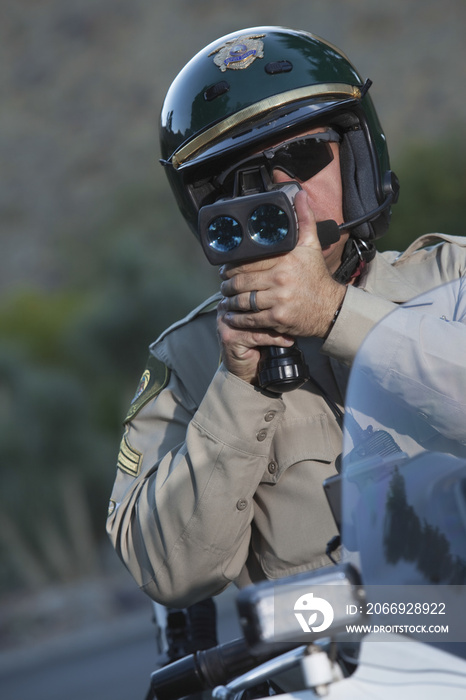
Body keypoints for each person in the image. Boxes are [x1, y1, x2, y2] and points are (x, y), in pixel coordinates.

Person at [106, 27, 466, 608]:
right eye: (240, 181)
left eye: (302, 156)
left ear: (356, 162)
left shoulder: (452, 277)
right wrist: (238, 386)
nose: (281, 189)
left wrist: (332, 313)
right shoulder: (189, 360)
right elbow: (169, 572)